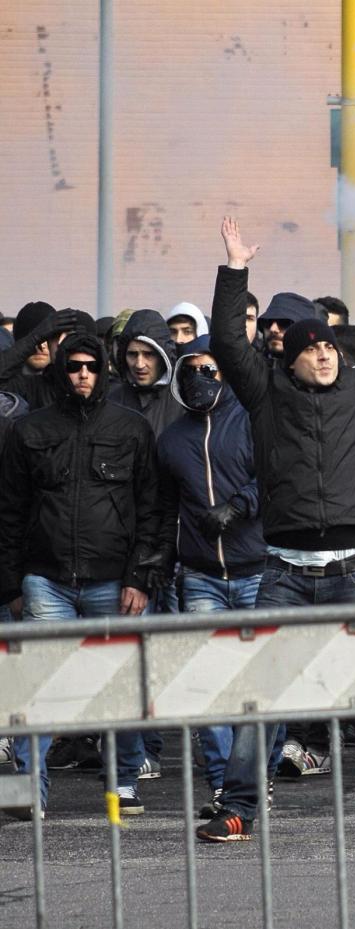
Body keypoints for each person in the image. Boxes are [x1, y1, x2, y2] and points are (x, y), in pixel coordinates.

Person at [197, 217, 355, 841]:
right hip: (284, 575)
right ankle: (240, 806)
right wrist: (235, 269)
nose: (322, 353)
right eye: (308, 348)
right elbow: (225, 339)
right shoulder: (265, 395)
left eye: (327, 344)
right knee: (259, 695)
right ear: (290, 359)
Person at [0, 332, 161, 819]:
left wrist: (139, 577)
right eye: (73, 366)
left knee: (119, 685)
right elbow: (9, 512)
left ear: (104, 369)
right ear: (60, 371)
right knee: (39, 685)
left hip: (113, 579)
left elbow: (151, 510)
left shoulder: (132, 429)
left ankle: (125, 782)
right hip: (44, 578)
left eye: (91, 366)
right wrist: (11, 585)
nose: (83, 374)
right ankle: (31, 789)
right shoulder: (28, 431)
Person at [155, 335, 266, 818]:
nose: (202, 378)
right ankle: (224, 787)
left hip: (257, 570)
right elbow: (162, 508)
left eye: (212, 368)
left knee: (261, 686)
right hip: (200, 576)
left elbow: (276, 477)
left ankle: (254, 782)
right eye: (192, 369)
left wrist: (239, 506)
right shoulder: (171, 439)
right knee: (209, 685)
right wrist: (158, 560)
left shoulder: (254, 422)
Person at [109, 308, 183, 437]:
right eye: (132, 354)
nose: (139, 364)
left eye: (148, 354)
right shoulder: (112, 400)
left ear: (162, 356)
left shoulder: (183, 400)